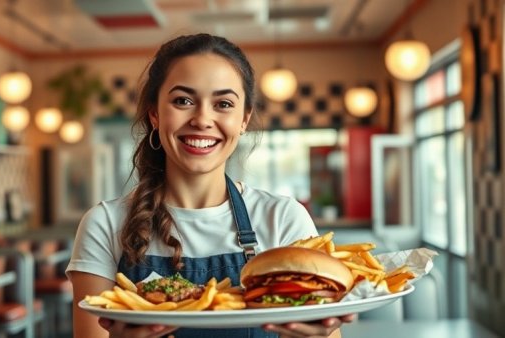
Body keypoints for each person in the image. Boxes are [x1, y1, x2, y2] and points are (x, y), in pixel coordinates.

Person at [66, 33, 354, 338]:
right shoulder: (104, 224)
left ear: (244, 119)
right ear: (154, 114)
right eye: (183, 101)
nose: (202, 119)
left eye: (224, 103)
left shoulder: (283, 219)